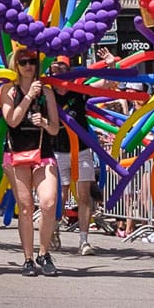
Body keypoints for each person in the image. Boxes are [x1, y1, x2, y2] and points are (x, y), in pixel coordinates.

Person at [1, 47, 61, 277]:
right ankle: (27, 258)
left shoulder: (47, 93)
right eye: (23, 62)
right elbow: (12, 121)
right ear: (15, 66)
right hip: (16, 154)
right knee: (25, 208)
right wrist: (27, 98)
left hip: (43, 153)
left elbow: (55, 129)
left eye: (32, 62)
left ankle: (43, 253)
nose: (29, 66)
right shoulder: (8, 91)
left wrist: (44, 121)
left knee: (48, 203)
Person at [49, 54, 100, 255]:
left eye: (63, 66)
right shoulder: (48, 94)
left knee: (84, 196)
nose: (59, 69)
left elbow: (105, 85)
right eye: (55, 67)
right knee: (59, 197)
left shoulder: (78, 92)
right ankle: (54, 230)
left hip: (81, 150)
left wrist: (112, 65)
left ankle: (84, 241)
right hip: (58, 151)